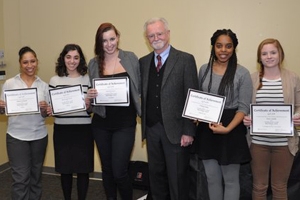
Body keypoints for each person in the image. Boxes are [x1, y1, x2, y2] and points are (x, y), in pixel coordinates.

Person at [139, 17, 198, 200]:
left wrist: (189, 131)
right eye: (151, 35)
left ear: (168, 34)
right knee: (156, 178)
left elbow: (192, 97)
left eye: (159, 33)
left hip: (177, 132)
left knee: (178, 180)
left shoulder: (185, 60)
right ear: (147, 38)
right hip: (152, 129)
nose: (155, 38)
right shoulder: (143, 62)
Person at [86, 23, 141, 200]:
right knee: (107, 170)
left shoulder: (130, 58)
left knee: (119, 171)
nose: (109, 44)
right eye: (104, 41)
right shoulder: (94, 63)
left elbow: (139, 87)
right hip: (101, 123)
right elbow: (92, 97)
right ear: (99, 43)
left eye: (112, 39)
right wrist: (91, 95)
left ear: (117, 37)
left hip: (125, 123)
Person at [196, 29, 252, 200]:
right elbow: (199, 99)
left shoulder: (242, 73)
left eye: (228, 46)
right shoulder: (204, 69)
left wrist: (227, 129)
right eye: (219, 46)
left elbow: (243, 108)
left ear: (234, 48)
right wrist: (196, 115)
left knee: (231, 180)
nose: (223, 50)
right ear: (213, 47)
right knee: (212, 178)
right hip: (207, 129)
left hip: (231, 129)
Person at [243, 38, 300, 200]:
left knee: (280, 187)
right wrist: (246, 118)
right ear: (259, 57)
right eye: (264, 53)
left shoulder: (293, 78)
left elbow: (299, 105)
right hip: (258, 143)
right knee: (259, 187)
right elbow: (245, 107)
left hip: (284, 144)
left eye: (273, 52)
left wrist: (297, 116)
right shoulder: (252, 79)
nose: (269, 56)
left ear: (280, 54)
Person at [0, 46, 49, 199]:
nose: (29, 65)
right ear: (20, 64)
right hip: (16, 137)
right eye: (25, 62)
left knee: (35, 178)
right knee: (20, 179)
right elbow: (3, 111)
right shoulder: (9, 84)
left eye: (32, 61)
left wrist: (45, 108)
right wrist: (1, 107)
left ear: (37, 62)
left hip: (39, 137)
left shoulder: (43, 85)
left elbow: (46, 114)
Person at [48, 44, 94, 200]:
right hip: (63, 131)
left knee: (83, 170)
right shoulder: (54, 80)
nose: (72, 61)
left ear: (80, 59)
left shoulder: (88, 79)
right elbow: (51, 107)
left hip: (83, 130)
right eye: (68, 57)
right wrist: (49, 109)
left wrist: (89, 105)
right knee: (65, 169)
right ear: (63, 58)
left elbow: (92, 109)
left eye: (76, 57)